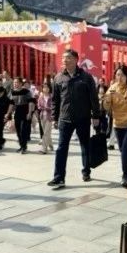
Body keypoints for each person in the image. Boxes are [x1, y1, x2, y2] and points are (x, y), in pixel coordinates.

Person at [48, 49, 100, 188]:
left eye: (68, 58)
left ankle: (86, 171)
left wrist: (96, 115)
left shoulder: (86, 77)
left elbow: (93, 98)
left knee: (85, 145)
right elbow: (55, 100)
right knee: (61, 148)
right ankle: (59, 177)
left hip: (83, 118)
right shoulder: (58, 78)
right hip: (65, 119)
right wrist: (54, 117)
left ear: (76, 60)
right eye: (64, 58)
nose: (65, 60)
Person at [101, 65, 127, 189]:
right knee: (123, 150)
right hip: (118, 124)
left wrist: (122, 98)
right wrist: (106, 100)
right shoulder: (112, 88)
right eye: (118, 75)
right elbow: (107, 107)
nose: (120, 77)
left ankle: (126, 175)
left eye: (123, 75)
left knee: (126, 146)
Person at [9, 78, 33, 154]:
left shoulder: (26, 91)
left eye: (16, 82)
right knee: (18, 130)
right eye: (14, 82)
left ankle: (24, 147)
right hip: (17, 112)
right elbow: (11, 104)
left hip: (25, 111)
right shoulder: (12, 92)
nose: (15, 84)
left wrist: (29, 113)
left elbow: (31, 102)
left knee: (23, 130)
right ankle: (21, 146)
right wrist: (8, 113)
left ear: (20, 83)